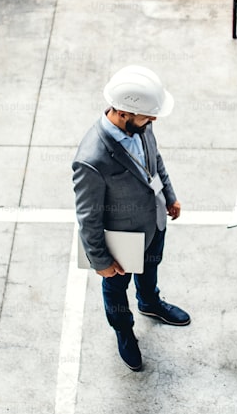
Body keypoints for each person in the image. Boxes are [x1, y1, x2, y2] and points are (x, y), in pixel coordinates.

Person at [72, 65, 190, 372]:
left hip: (154, 223)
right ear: (123, 112)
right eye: (148, 116)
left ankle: (150, 302)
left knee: (151, 266)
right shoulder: (91, 159)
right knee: (115, 289)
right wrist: (100, 261)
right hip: (121, 240)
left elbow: (155, 160)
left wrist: (170, 195)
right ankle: (123, 330)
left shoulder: (141, 125)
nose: (153, 121)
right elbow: (88, 217)